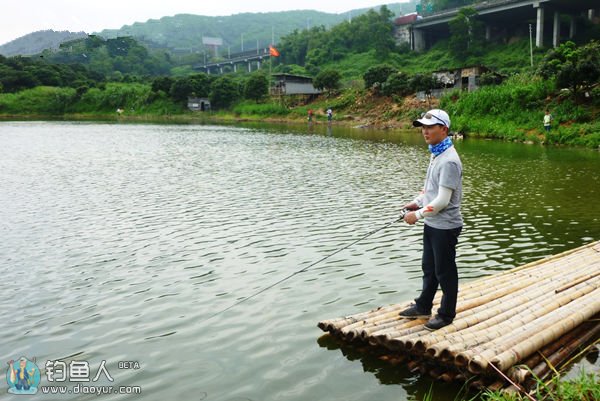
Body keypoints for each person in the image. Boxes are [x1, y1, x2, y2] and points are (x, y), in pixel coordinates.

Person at [399, 109, 463, 331]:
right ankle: (423, 306)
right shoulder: (436, 154)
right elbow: (430, 191)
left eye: (430, 127)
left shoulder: (449, 161)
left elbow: (443, 200)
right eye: (423, 127)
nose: (425, 131)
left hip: (445, 226)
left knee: (445, 271)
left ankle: (446, 314)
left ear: (443, 129)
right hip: (432, 223)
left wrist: (415, 215)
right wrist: (416, 202)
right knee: (429, 267)